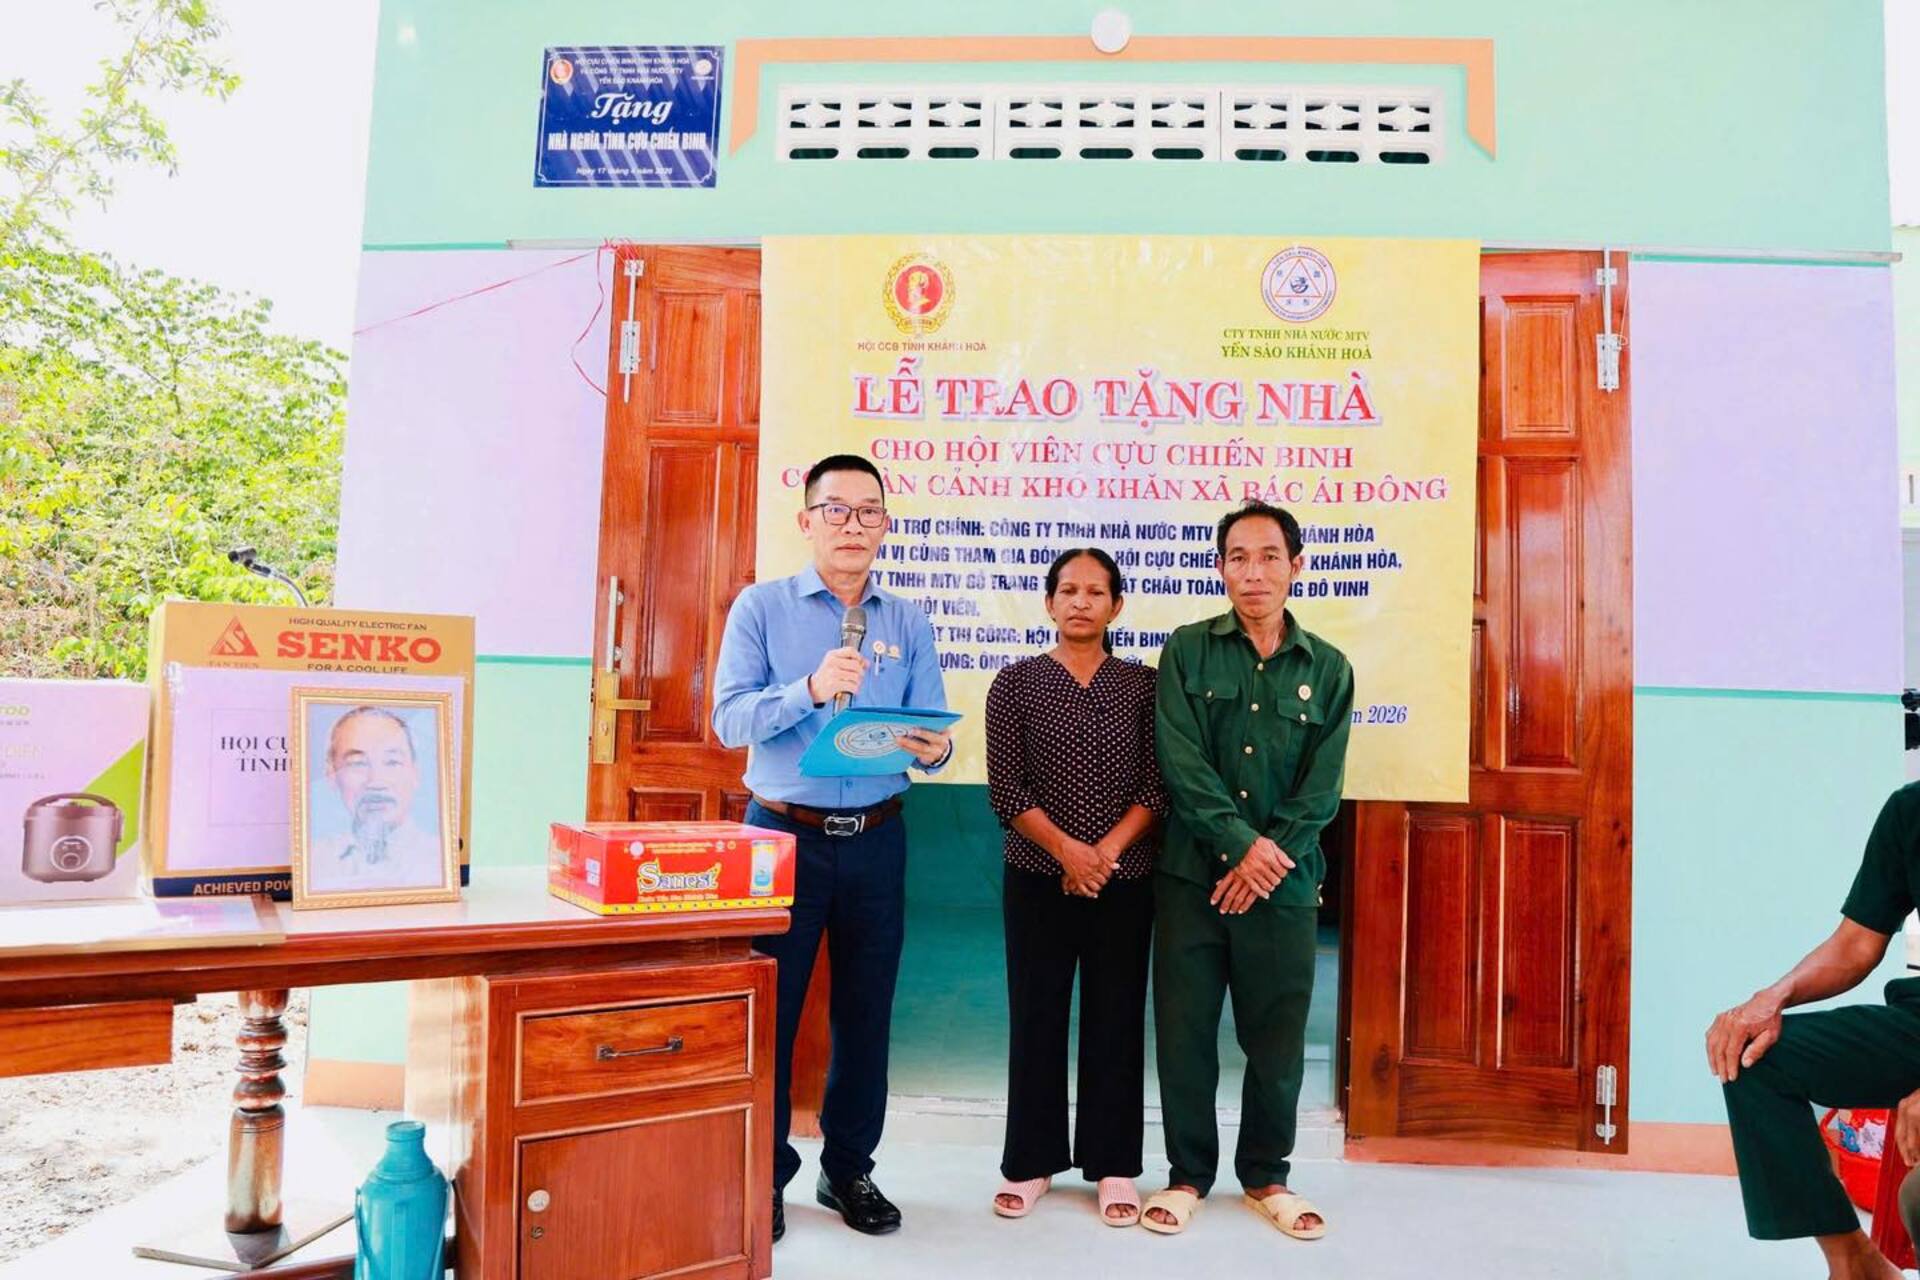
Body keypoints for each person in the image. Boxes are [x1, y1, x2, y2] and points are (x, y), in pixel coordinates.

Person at [712, 454, 953, 1243]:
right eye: (837, 510)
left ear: (885, 524)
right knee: (770, 1012)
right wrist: (809, 690)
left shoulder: (907, 621)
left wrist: (935, 750)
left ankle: (848, 1168)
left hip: (878, 839)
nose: (854, 525)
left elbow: (932, 729)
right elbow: (729, 721)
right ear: (807, 520)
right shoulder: (761, 608)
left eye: (869, 511)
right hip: (782, 837)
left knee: (866, 1012)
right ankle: (762, 1173)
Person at [1141, 500, 1354, 1241]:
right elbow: (1181, 763)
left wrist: (1262, 862)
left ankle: (1267, 1176)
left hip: (1284, 887)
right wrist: (1238, 847)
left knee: (1276, 1039)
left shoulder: (1329, 669)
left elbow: (1321, 789)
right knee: (1184, 1034)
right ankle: (1187, 1176)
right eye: (1238, 557)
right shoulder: (1187, 651)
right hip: (1191, 880)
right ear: (1220, 567)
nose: (1253, 572)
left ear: (1297, 566)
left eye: (1269, 556)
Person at [984, 548, 1166, 1227]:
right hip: (1037, 877)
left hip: (1125, 879)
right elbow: (1008, 791)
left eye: (1095, 592)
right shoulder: (1015, 684)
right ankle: (1030, 1161)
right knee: (1036, 1016)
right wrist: (1067, 851)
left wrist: (1102, 856)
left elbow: (1157, 787)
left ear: (1117, 605)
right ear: (1049, 603)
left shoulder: (1144, 687)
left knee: (1116, 1017)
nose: (1081, 602)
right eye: (1068, 590)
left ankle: (1113, 1165)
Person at [1708, 782, 1920, 1280]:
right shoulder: (1910, 810)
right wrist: (1772, 998)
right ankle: (1854, 1263)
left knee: (1918, 1198)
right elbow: (1857, 943)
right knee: (1755, 1055)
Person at [307, 707, 442, 890]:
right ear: (331, 775)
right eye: (357, 763)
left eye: (392, 762)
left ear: (415, 773)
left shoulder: (441, 863)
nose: (376, 781)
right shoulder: (312, 863)